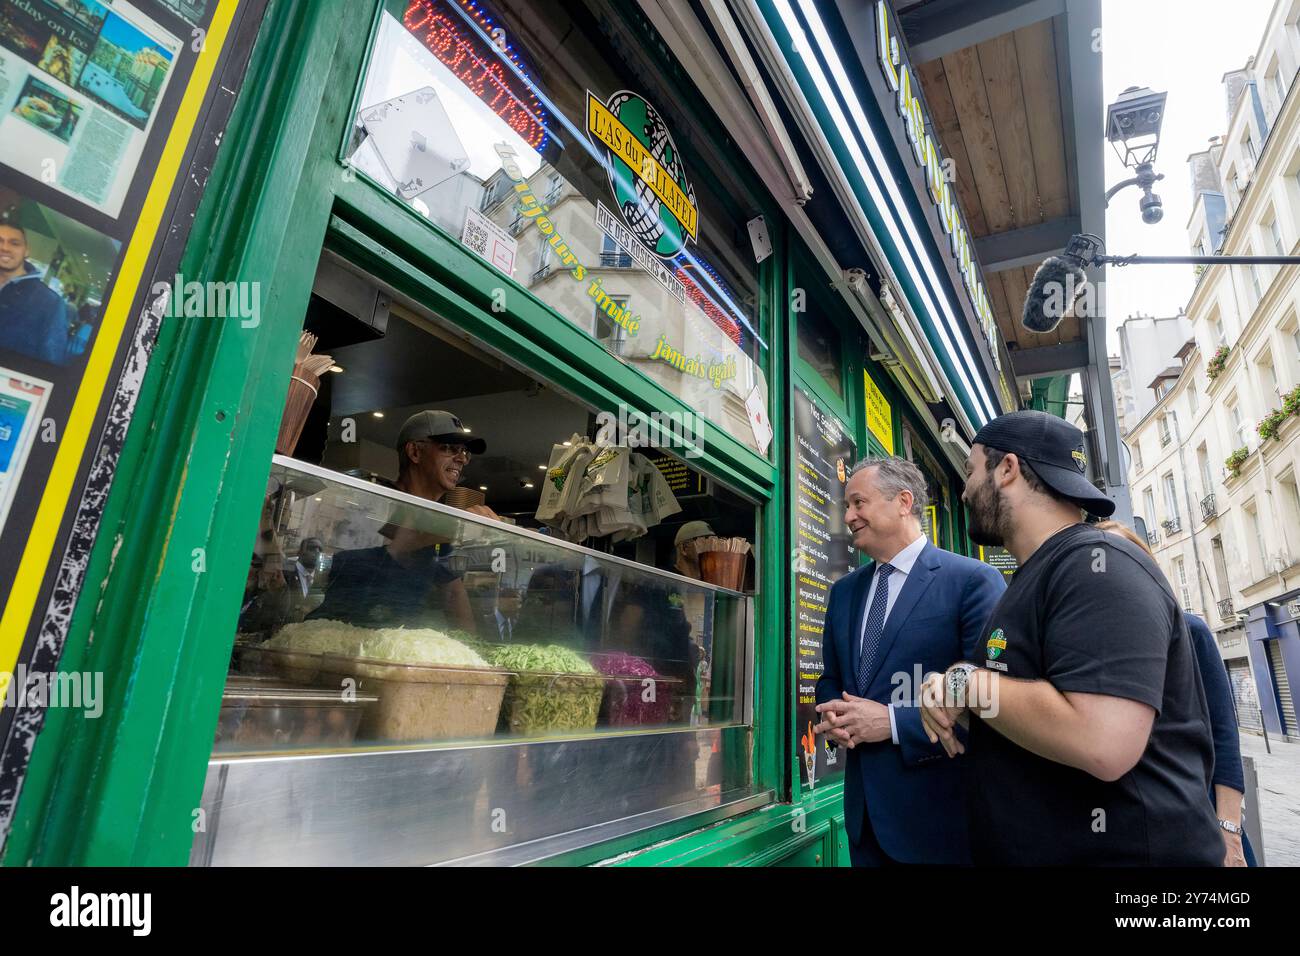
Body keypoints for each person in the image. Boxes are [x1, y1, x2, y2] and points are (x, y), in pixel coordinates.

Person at [920, 410, 1222, 866]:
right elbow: (1025, 714)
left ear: (1007, 469)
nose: (963, 491)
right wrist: (951, 697)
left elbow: (1103, 741)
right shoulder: (1040, 575)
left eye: (969, 470)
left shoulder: (1096, 565)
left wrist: (964, 682)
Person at [812, 456, 1005, 866]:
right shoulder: (843, 592)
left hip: (940, 826)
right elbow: (830, 679)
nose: (848, 516)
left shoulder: (972, 581)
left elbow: (991, 697)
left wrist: (893, 723)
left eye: (859, 503)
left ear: (903, 501)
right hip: (864, 826)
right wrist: (835, 718)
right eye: (847, 506)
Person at [1095, 519, 1254, 867]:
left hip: (1204, 820)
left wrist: (1229, 834)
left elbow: (1224, 737)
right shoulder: (1095, 645)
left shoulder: (1190, 630)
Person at [309, 410, 495, 629]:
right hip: (344, 636)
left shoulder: (435, 521)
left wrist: (471, 651)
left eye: (465, 452)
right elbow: (398, 543)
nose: (462, 458)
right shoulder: (374, 501)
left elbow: (453, 590)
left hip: (399, 641)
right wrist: (459, 526)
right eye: (449, 448)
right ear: (415, 451)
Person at [0, 222, 68, 365]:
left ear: (26, 251)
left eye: (14, 243)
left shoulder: (50, 302)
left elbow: (51, 361)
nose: (5, 248)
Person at [282, 537, 323, 622]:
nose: (317, 552)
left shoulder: (323, 580)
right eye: (312, 548)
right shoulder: (285, 574)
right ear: (300, 552)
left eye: (320, 549)